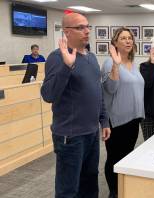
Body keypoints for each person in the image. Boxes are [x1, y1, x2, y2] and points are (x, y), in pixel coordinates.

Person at [41, 13, 111, 198]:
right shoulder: (57, 58)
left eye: (88, 26)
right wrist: (67, 66)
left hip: (91, 132)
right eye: (80, 27)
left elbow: (98, 92)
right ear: (66, 32)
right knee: (68, 189)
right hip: (70, 136)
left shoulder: (92, 57)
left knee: (89, 183)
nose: (87, 31)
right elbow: (48, 95)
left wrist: (103, 121)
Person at [101, 27, 145, 198]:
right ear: (115, 43)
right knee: (114, 157)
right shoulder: (109, 63)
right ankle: (114, 191)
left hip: (134, 120)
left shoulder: (134, 64)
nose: (128, 41)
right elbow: (110, 89)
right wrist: (116, 66)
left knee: (126, 157)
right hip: (116, 121)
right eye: (123, 38)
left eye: (130, 38)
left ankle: (123, 189)